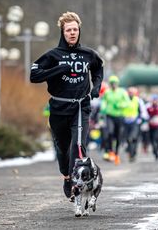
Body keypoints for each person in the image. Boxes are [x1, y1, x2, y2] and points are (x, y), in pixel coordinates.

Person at [30, 11, 104, 199]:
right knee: (62, 149)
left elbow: (98, 68)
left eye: (75, 29)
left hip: (81, 106)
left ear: (79, 30)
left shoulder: (88, 54)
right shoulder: (53, 55)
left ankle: (74, 182)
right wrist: (56, 70)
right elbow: (34, 75)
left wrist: (96, 88)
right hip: (58, 108)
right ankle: (66, 175)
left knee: (78, 144)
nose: (72, 33)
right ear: (62, 32)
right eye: (68, 30)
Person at [100, 75, 129, 165]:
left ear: (117, 84)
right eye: (112, 83)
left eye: (115, 83)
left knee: (118, 136)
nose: (113, 85)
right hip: (110, 115)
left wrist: (120, 105)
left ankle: (117, 154)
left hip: (119, 116)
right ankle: (110, 151)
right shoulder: (107, 92)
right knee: (109, 132)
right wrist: (103, 108)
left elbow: (127, 102)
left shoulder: (122, 92)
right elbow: (104, 102)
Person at [146, 94, 158, 160]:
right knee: (152, 140)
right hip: (151, 126)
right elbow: (146, 115)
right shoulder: (148, 107)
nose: (154, 102)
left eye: (156, 100)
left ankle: (157, 150)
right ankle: (154, 150)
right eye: (153, 100)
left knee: (157, 139)